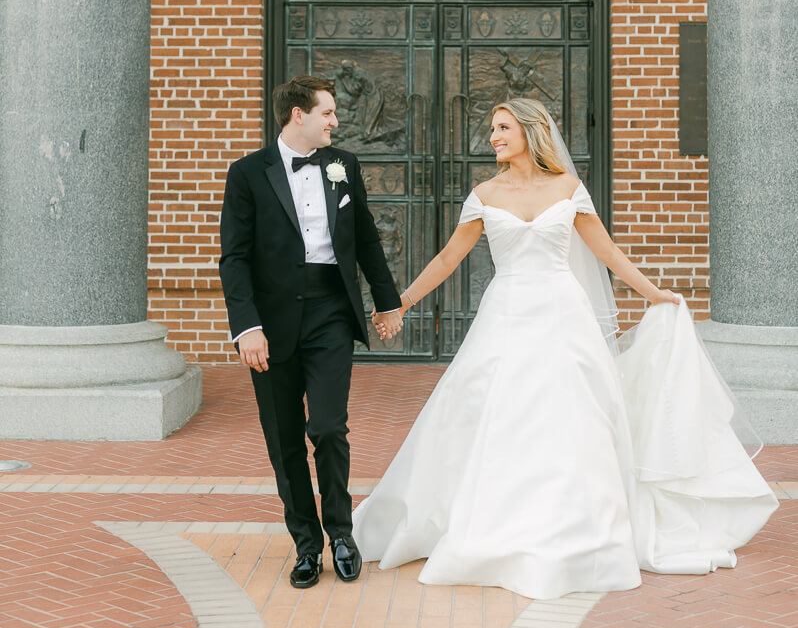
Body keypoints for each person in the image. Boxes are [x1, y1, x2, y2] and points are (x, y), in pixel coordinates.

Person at [354, 97, 777, 599]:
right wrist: (399, 305)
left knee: (573, 416)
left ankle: (572, 526)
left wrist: (655, 294)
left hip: (563, 315)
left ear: (531, 132)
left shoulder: (569, 190)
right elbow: (448, 258)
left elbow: (607, 252)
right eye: (492, 129)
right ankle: (489, 519)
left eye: (503, 128)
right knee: (492, 411)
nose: (493, 137)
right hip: (506, 316)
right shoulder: (484, 194)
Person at [219, 75, 404, 589]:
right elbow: (233, 259)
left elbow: (365, 235)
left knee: (326, 427)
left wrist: (387, 303)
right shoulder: (247, 174)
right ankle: (305, 544)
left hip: (329, 314)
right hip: (270, 325)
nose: (336, 121)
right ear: (298, 115)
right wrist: (246, 328)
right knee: (283, 440)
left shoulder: (344, 165)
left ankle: (341, 534)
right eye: (328, 112)